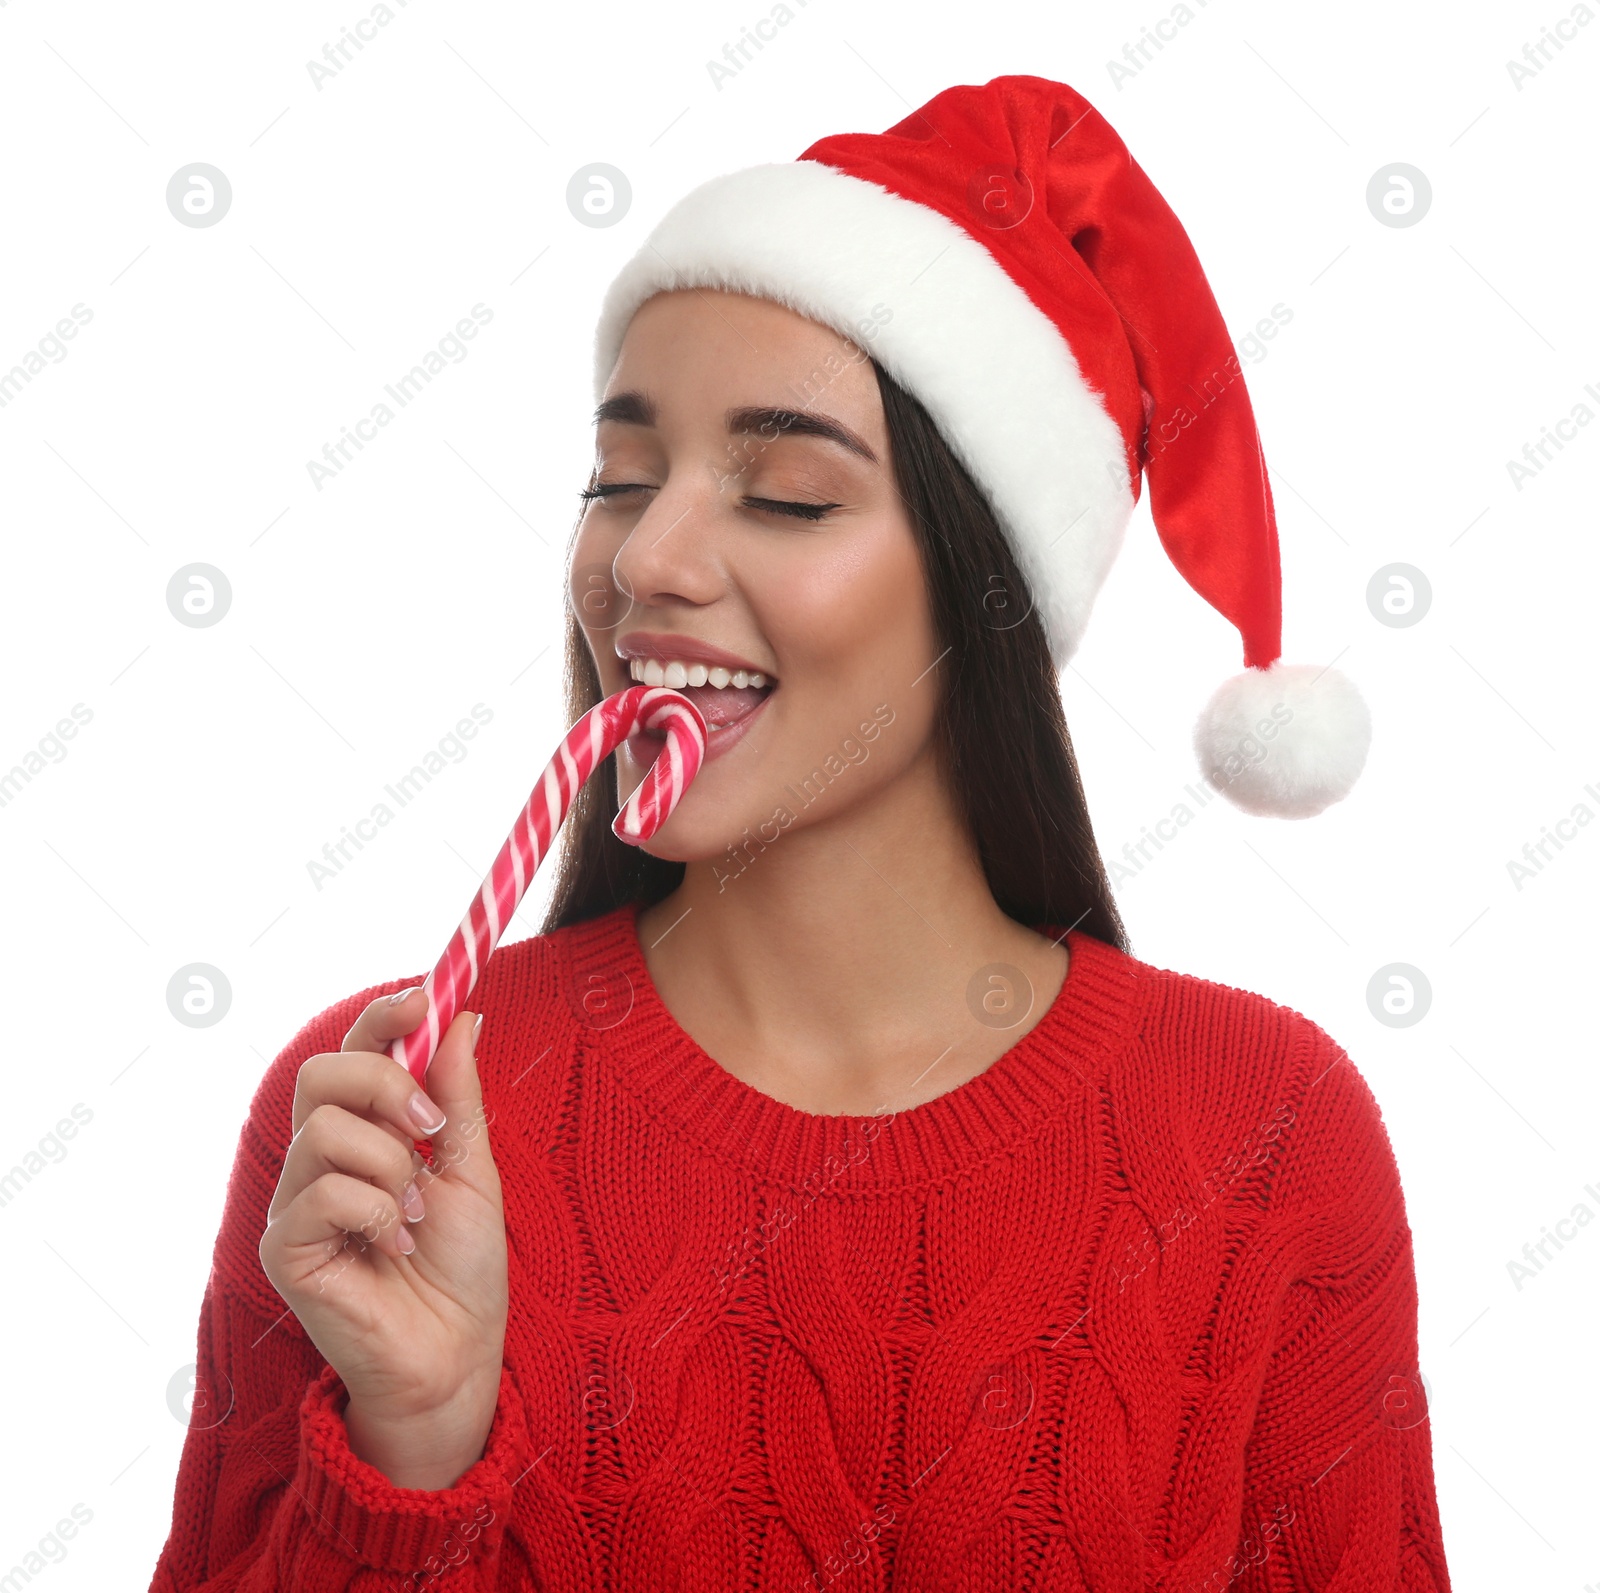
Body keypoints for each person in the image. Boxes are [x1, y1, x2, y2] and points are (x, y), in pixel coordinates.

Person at [149, 75, 1451, 1590]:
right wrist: (413, 1444)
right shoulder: (385, 1132)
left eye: (782, 493)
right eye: (618, 479)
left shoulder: (1267, 1134)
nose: (646, 556)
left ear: (985, 585)